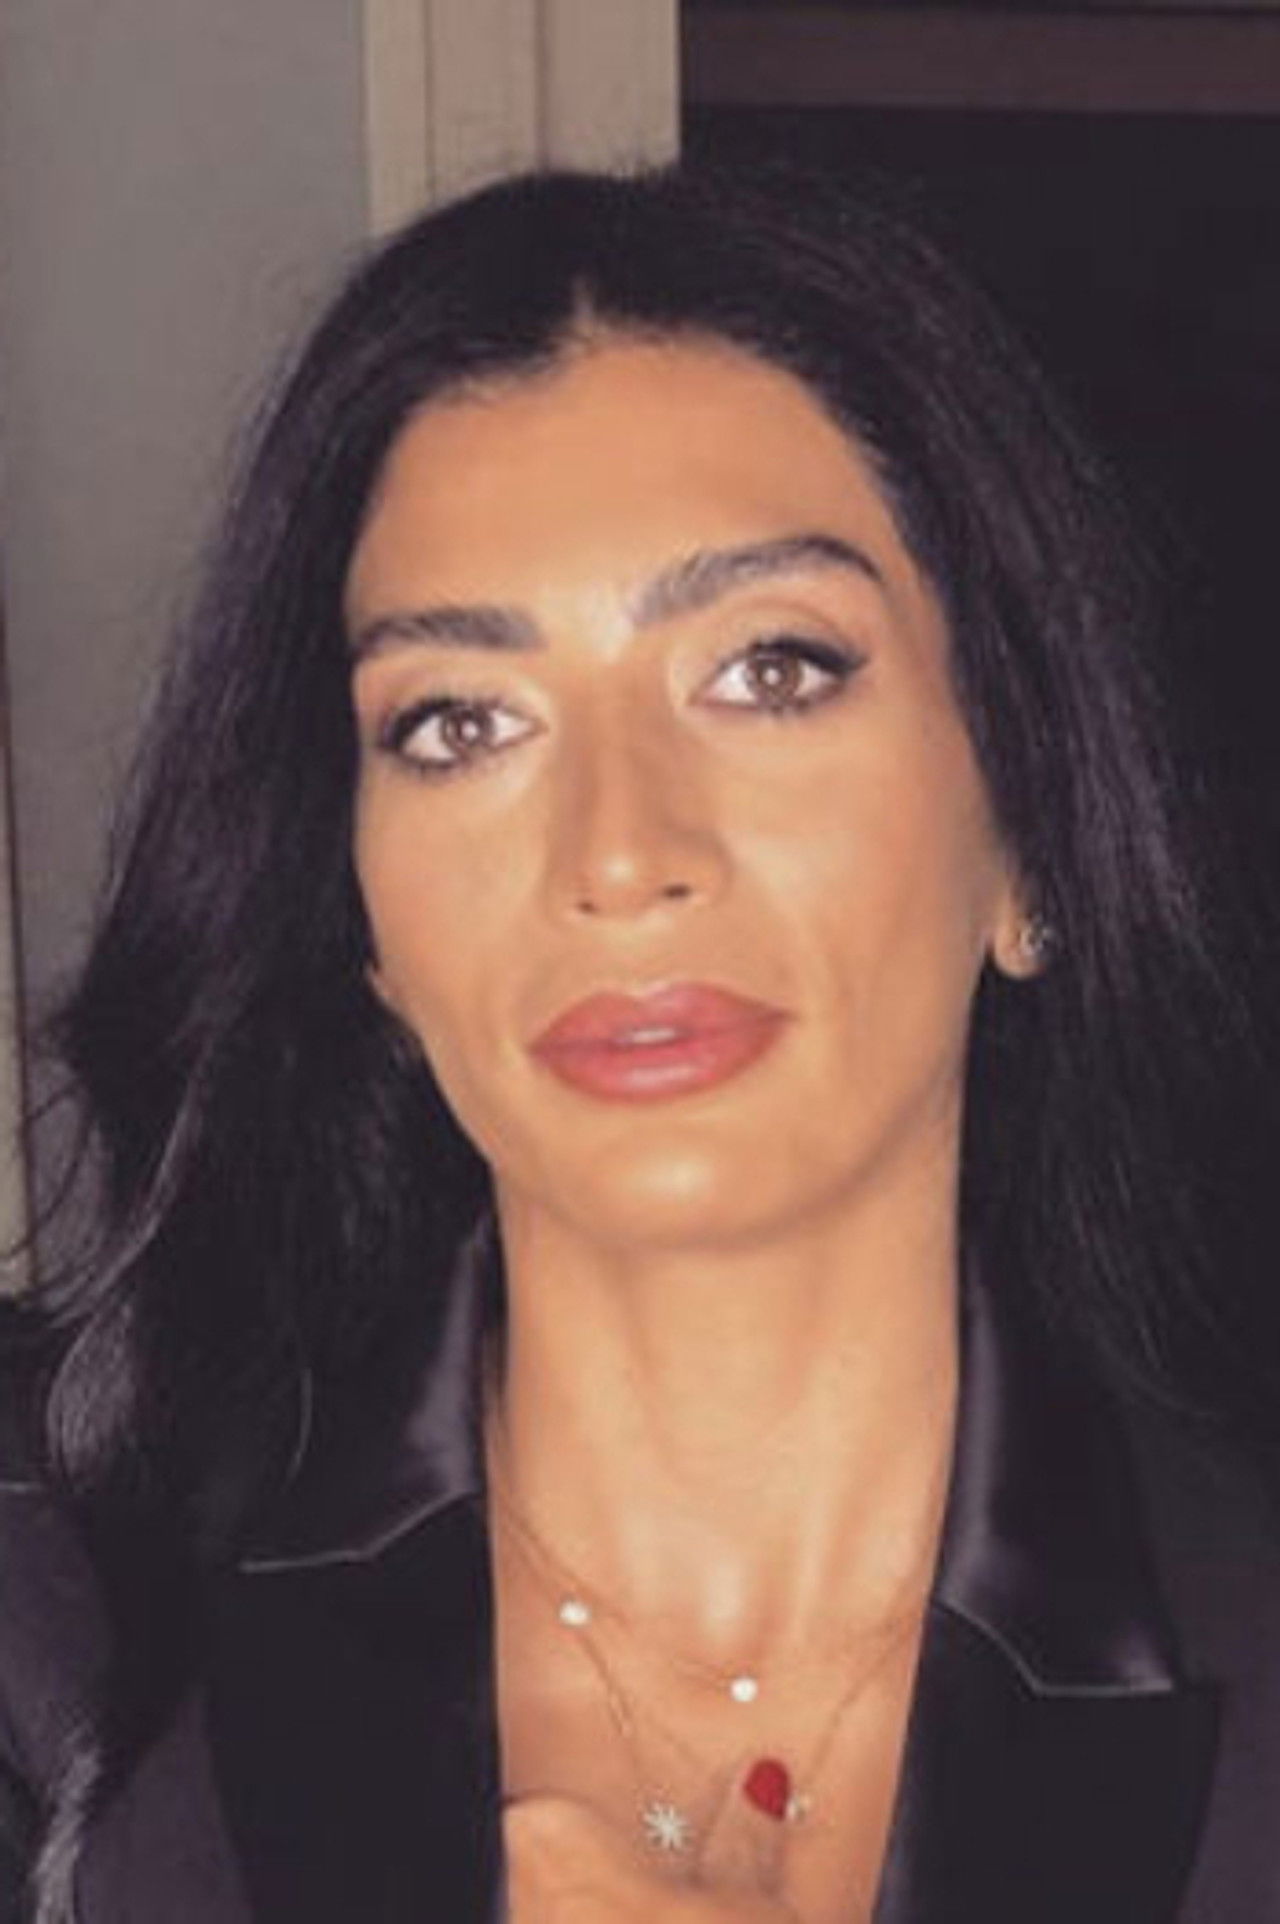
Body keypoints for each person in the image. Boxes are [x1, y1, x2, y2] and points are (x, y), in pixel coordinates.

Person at [1, 161, 1278, 1924]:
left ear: (1031, 840)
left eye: (770, 672)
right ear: (363, 918)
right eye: (460, 724)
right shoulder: (51, 1624)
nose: (618, 854)